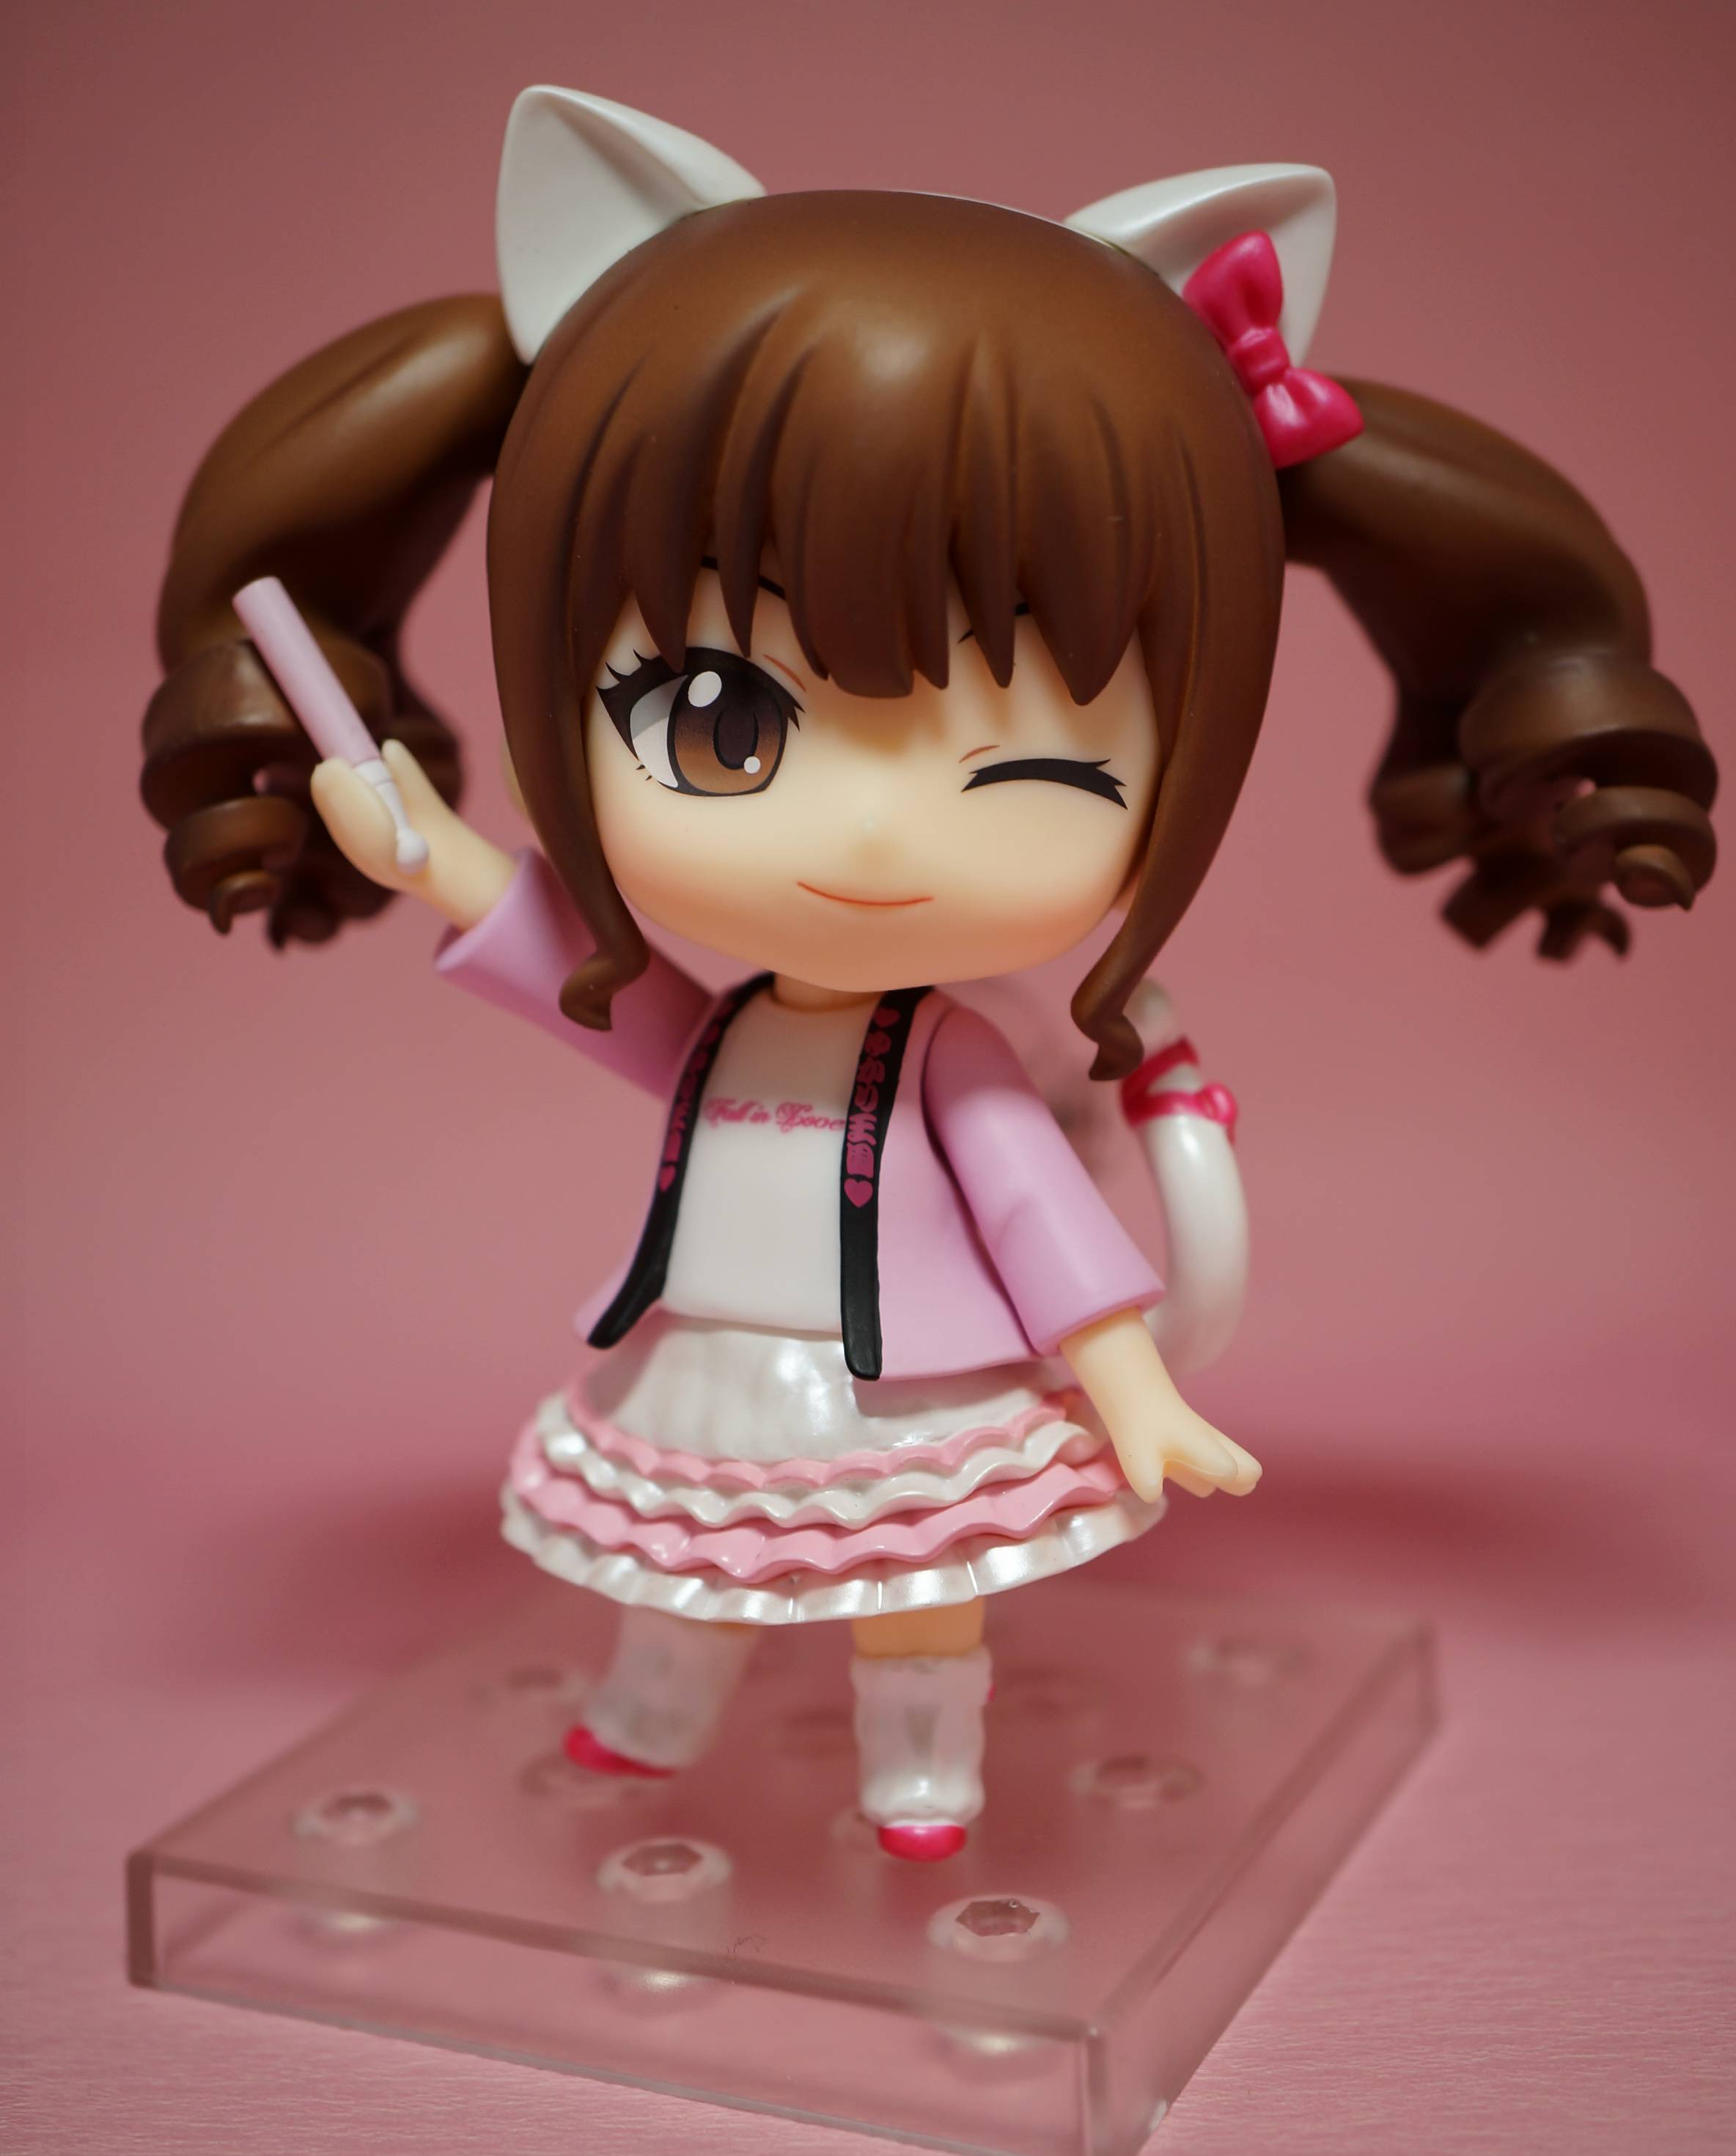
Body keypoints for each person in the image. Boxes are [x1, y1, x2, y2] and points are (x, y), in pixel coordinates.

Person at [140, 90, 1717, 1859]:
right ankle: (649, 1715)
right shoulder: (727, 1027)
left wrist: (1133, 1389)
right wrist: (431, 851)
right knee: (685, 1568)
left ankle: (918, 1768)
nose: (873, 836)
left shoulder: (945, 1055)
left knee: (915, 1585)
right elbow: (604, 998)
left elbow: (1042, 1221)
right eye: (723, 721)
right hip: (713, 1365)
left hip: (911, 1395)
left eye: (1031, 768)